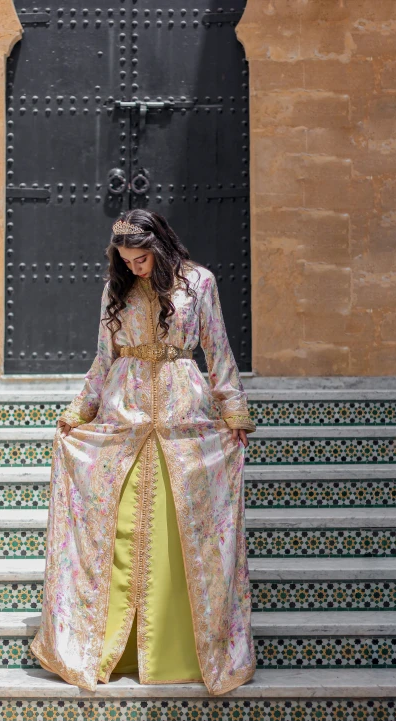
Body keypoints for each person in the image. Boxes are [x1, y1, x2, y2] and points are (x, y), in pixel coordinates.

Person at [31, 209, 257, 695]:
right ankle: (107, 647)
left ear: (161, 246)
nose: (135, 267)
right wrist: (81, 408)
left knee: (181, 536)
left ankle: (184, 651)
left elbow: (217, 349)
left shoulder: (200, 282)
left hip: (183, 414)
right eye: (127, 260)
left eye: (142, 258)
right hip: (123, 412)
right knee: (117, 529)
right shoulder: (117, 290)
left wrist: (234, 411)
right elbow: (102, 355)